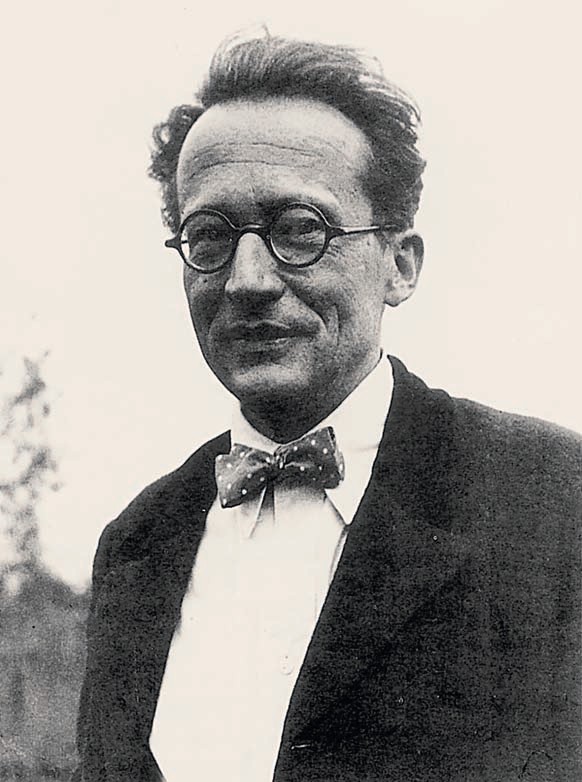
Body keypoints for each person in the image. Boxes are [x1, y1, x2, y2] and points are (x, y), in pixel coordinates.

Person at [74, 32, 581, 782]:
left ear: (399, 265)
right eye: (208, 237)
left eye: (300, 230)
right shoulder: (136, 543)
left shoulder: (551, 497)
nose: (247, 280)